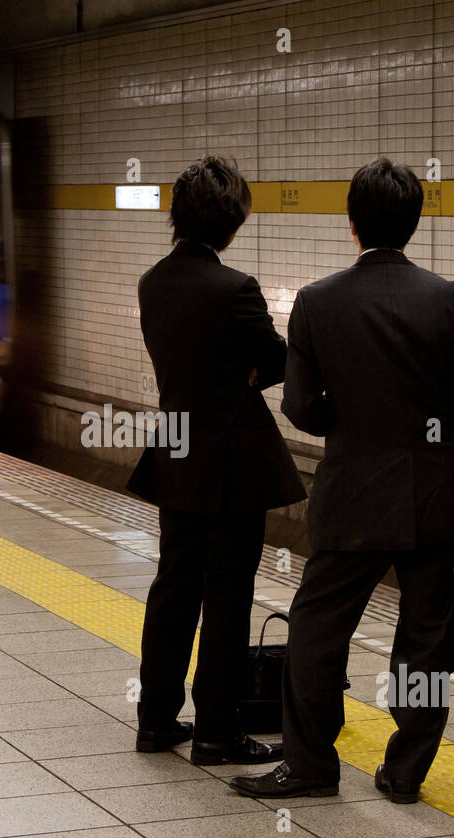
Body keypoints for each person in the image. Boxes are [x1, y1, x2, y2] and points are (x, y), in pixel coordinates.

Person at [231, 158, 454, 800]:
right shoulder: (449, 299)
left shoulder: (319, 302)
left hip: (350, 499)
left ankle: (313, 765)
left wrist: (345, 421)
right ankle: (405, 773)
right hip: (438, 503)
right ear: (413, 223)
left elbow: (299, 406)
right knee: (427, 640)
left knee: (319, 628)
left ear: (352, 223)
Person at [126, 156, 306, 765]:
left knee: (173, 584)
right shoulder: (235, 288)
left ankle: (155, 719)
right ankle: (216, 731)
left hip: (176, 450)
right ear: (230, 224)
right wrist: (250, 372)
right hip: (231, 459)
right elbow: (281, 359)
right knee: (227, 592)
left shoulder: (152, 282)